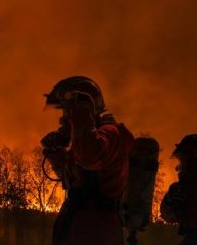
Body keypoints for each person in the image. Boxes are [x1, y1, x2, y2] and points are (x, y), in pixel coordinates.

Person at [40, 76, 134, 245]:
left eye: (67, 111)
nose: (63, 119)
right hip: (79, 227)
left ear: (85, 108)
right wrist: (55, 153)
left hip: (96, 229)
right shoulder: (88, 140)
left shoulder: (111, 134)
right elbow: (74, 180)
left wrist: (80, 113)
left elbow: (89, 158)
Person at [161, 134, 197, 244]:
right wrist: (170, 203)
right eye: (182, 163)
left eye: (188, 163)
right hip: (193, 237)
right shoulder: (180, 188)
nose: (182, 168)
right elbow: (168, 216)